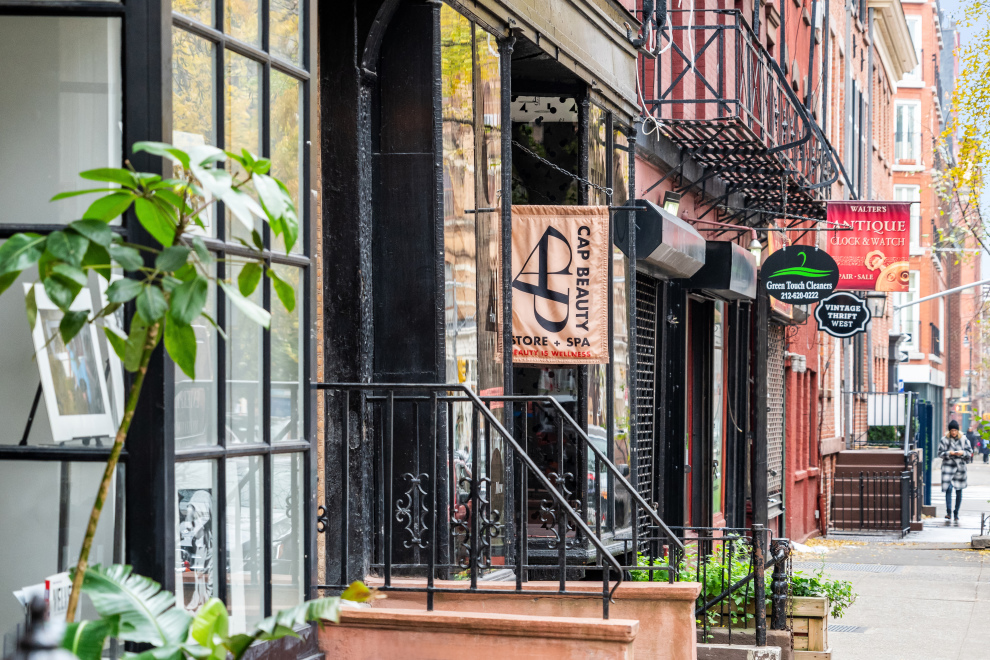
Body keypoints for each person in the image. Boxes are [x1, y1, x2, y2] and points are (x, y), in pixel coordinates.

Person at [939, 420, 973, 521]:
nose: (953, 432)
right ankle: (949, 512)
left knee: (959, 491)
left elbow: (969, 452)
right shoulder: (944, 440)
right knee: (948, 489)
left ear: (958, 430)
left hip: (960, 469)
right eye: (952, 430)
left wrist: (962, 453)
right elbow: (940, 453)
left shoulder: (964, 439)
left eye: (955, 430)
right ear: (949, 431)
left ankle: (956, 512)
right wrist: (949, 453)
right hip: (948, 468)